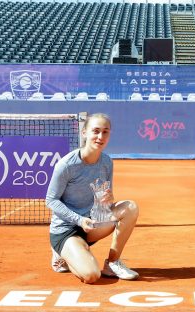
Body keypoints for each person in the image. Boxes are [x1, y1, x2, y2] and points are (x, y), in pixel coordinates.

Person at [46, 113, 140, 283]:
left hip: (91, 224)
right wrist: (79, 220)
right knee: (91, 275)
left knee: (130, 207)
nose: (100, 136)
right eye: (95, 131)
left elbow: (105, 200)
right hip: (66, 229)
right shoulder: (67, 165)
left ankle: (112, 263)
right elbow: (51, 200)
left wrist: (109, 198)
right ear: (84, 133)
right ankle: (64, 252)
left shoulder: (106, 162)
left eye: (105, 132)